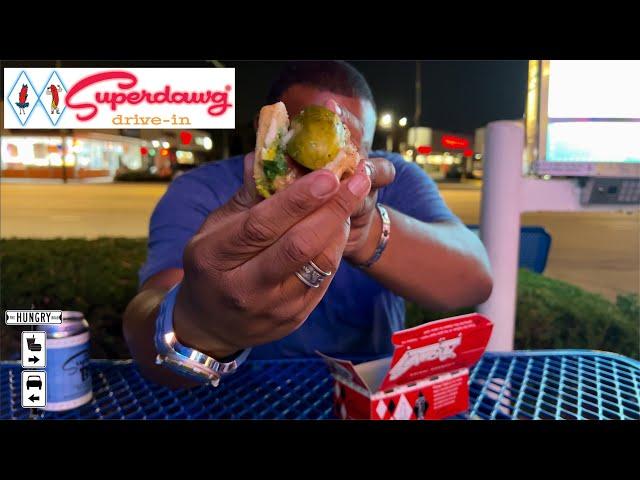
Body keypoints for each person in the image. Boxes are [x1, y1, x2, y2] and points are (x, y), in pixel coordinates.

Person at [123, 61, 493, 388]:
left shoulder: (396, 179)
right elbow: (144, 322)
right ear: (265, 129)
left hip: (365, 394)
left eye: (353, 142)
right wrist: (202, 327)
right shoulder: (199, 190)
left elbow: (474, 279)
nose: (321, 165)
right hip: (237, 397)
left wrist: (364, 233)